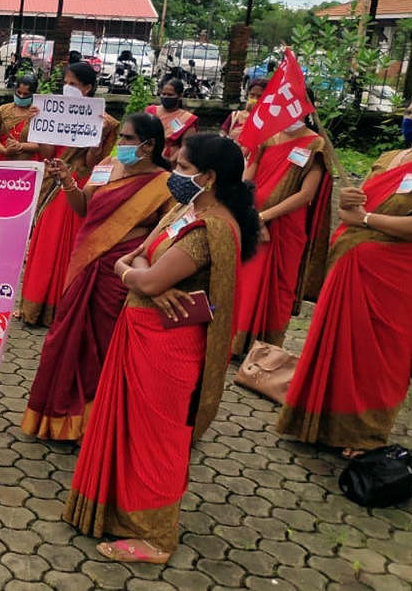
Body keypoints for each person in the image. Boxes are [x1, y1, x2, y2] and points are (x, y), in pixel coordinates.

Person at [64, 134, 259, 564]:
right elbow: (132, 257)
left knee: (158, 440)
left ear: (209, 178)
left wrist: (143, 276)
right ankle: (118, 512)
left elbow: (146, 277)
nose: (175, 173)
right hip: (141, 334)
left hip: (170, 349)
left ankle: (155, 540)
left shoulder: (210, 228)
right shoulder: (184, 209)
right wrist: (139, 272)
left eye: (184, 168)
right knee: (130, 429)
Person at [277, 92, 412, 456]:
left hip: (397, 276)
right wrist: (352, 202)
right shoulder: (389, 158)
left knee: (378, 357)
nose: (411, 120)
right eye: (408, 112)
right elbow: (360, 203)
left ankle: (365, 435)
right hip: (352, 265)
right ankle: (315, 422)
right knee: (335, 345)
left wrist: (365, 219)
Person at [22, 114, 173, 441]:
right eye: (123, 140)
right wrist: (67, 182)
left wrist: (136, 261)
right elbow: (82, 209)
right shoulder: (108, 164)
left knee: (101, 346)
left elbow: (161, 238)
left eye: (129, 140)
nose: (122, 145)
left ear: (148, 146)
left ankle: (93, 426)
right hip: (85, 260)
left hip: (118, 272)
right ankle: (55, 415)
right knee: (65, 336)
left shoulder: (164, 184)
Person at [19, 62, 120, 326]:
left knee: (67, 243)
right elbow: (49, 152)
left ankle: (60, 307)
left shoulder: (102, 119)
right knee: (45, 241)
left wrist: (98, 137)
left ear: (87, 88)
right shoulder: (55, 111)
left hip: (75, 184)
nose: (68, 87)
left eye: (74, 84)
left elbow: (89, 161)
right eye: (66, 82)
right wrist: (38, 121)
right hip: (51, 179)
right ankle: (34, 305)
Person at [230, 115, 331, 356]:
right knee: (246, 278)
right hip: (252, 217)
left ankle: (268, 348)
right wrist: (251, 214)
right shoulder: (267, 136)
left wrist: (265, 217)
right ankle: (235, 341)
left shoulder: (315, 145)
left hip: (287, 226)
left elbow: (306, 194)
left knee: (280, 285)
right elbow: (248, 177)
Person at [0, 76, 42, 162]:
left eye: (26, 94)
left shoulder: (36, 113)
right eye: (19, 92)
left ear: (33, 94)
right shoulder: (2, 110)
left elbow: (40, 146)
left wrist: (21, 146)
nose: (21, 96)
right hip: (2, 162)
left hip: (27, 167)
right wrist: (4, 151)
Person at [147, 78, 198, 162]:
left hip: (171, 161)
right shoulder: (151, 111)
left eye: (170, 95)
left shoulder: (187, 118)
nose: (166, 97)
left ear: (180, 96)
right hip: (147, 156)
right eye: (163, 94)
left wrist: (170, 162)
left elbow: (186, 147)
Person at [222, 78, 267, 143]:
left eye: (259, 97)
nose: (255, 99)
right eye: (252, 95)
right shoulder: (235, 116)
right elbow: (223, 133)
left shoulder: (268, 121)